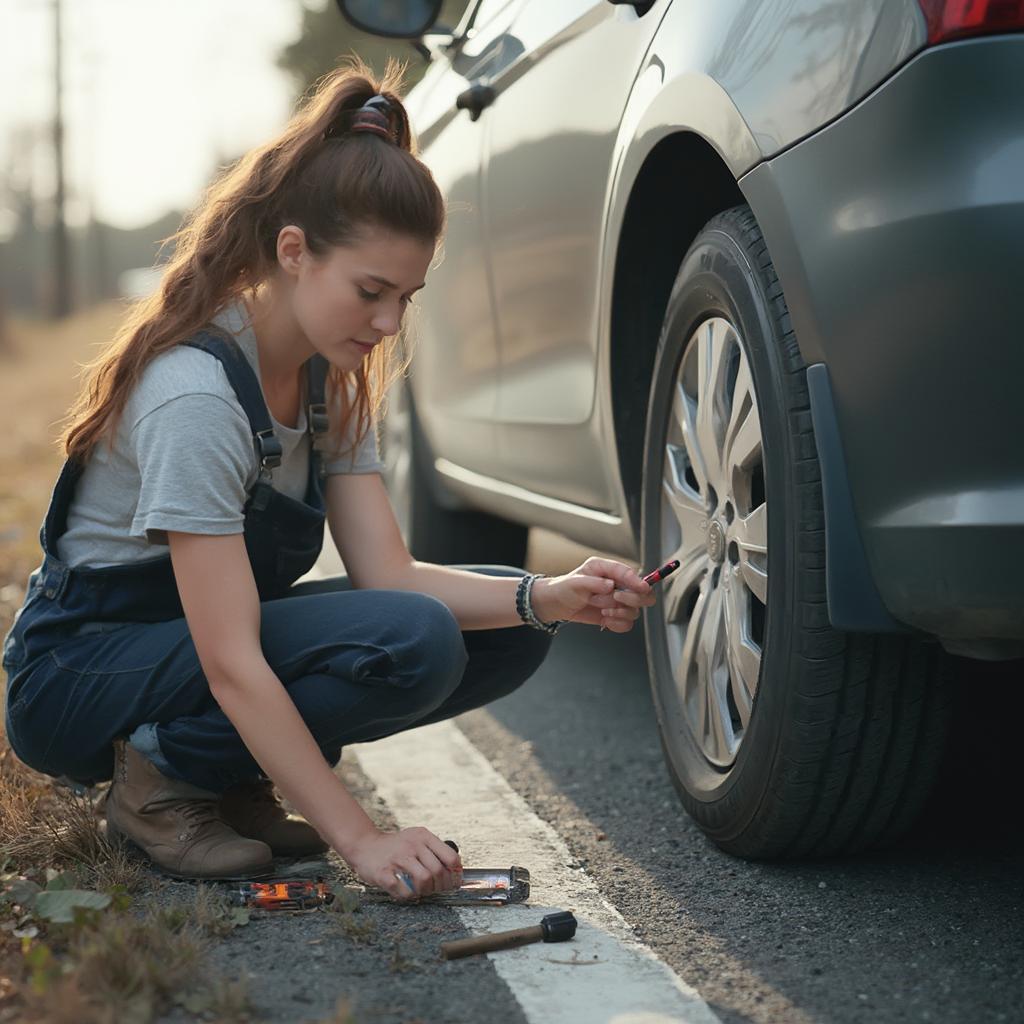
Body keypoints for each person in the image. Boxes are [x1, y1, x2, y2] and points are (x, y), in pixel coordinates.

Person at [0, 57, 656, 900]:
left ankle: (222, 776)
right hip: (80, 681)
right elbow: (233, 660)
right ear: (294, 252)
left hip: (190, 653)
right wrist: (363, 842)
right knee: (412, 637)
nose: (387, 325)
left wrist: (550, 594)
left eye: (406, 299)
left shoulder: (330, 383)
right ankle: (162, 782)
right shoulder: (197, 399)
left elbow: (391, 574)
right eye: (371, 291)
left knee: (510, 625)